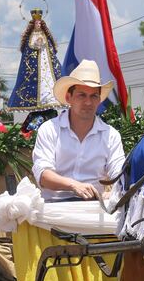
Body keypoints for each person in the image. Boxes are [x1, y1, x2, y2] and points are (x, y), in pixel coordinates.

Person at [31, 59, 125, 201]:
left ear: (99, 99)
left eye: (93, 96)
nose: (88, 102)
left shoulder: (111, 135)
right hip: (54, 206)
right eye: (82, 95)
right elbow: (43, 175)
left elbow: (119, 173)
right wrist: (74, 185)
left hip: (92, 206)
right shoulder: (49, 129)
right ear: (69, 98)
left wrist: (115, 192)